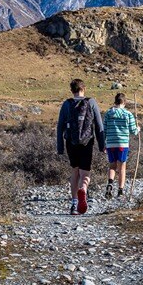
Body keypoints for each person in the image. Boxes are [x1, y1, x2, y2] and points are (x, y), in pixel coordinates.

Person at [57, 79, 105, 215]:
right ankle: (83, 188)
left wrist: (60, 147)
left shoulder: (67, 104)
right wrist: (102, 145)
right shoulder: (91, 102)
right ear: (84, 88)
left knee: (75, 172)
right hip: (87, 142)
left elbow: (60, 126)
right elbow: (99, 126)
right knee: (85, 173)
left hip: (71, 142)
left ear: (71, 90)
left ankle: (74, 203)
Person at [103, 93, 139, 199]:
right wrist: (138, 129)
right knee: (122, 167)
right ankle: (120, 190)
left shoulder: (108, 113)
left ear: (115, 101)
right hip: (122, 144)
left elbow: (104, 130)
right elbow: (133, 131)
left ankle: (110, 184)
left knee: (112, 166)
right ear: (124, 102)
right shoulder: (128, 114)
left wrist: (104, 144)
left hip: (110, 143)